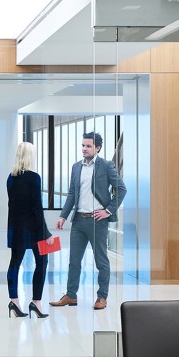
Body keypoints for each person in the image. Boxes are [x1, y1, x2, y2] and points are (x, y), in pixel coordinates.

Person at [49, 131, 126, 311]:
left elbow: (121, 189)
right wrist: (63, 215)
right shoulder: (76, 167)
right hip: (78, 221)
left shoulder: (106, 166)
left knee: (101, 261)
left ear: (97, 148)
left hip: (96, 221)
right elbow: (71, 194)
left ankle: (102, 297)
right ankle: (71, 295)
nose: (84, 149)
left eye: (88, 146)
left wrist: (108, 211)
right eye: (83, 145)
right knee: (74, 260)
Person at [6, 142, 52, 319]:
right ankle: (36, 303)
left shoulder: (10, 178)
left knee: (14, 263)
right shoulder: (34, 177)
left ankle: (14, 302)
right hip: (34, 230)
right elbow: (37, 208)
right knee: (41, 263)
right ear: (29, 156)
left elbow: (14, 206)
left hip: (16, 228)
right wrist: (46, 233)